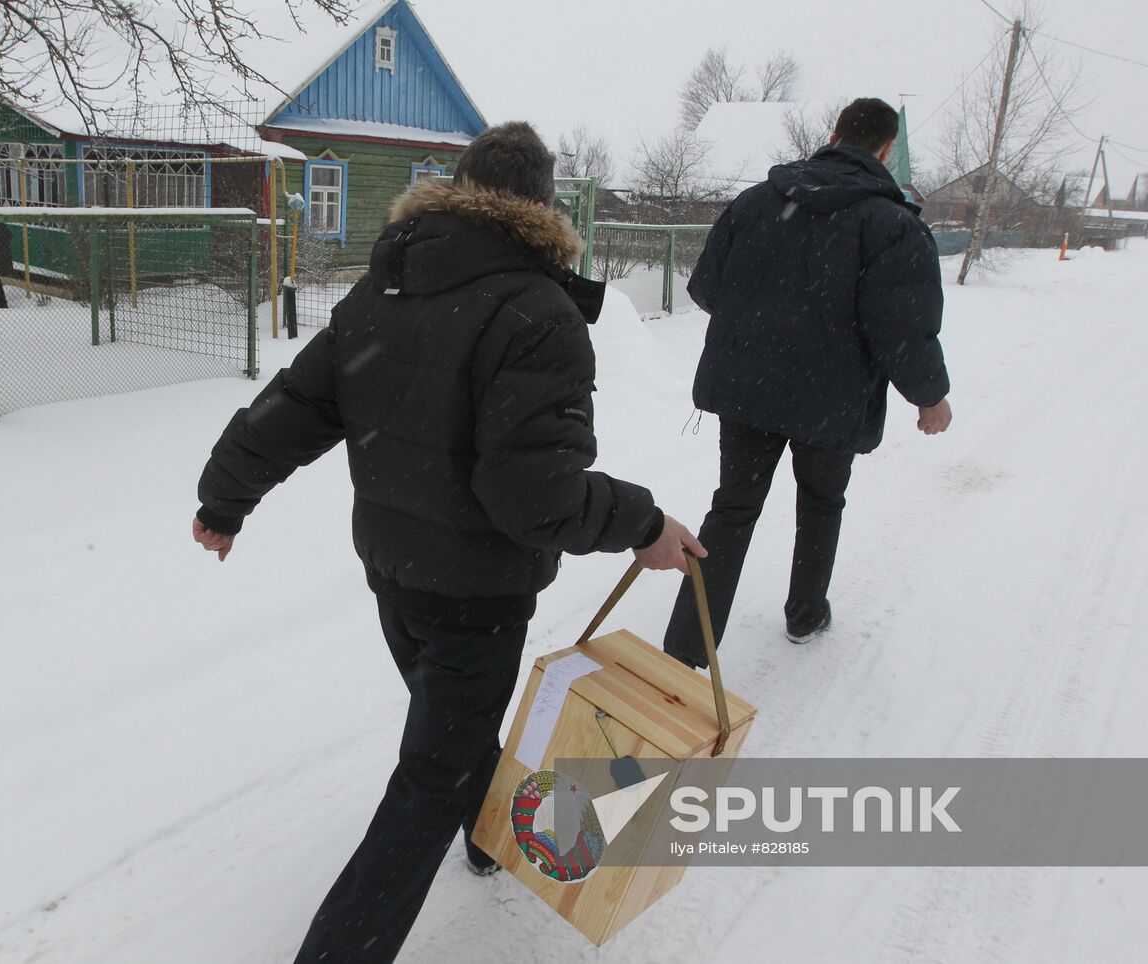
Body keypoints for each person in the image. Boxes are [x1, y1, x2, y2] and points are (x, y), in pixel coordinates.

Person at [190, 121, 704, 964]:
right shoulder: (537, 314)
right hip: (476, 597)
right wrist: (643, 525)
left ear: (460, 188)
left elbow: (296, 406)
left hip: (396, 572)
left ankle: (487, 832)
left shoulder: (387, 289)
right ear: (543, 206)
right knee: (428, 780)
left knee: (452, 736)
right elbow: (535, 497)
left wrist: (225, 498)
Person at [663, 97, 952, 668]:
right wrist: (929, 396)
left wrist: (765, 317)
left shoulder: (755, 203)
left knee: (733, 509)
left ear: (833, 132)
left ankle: (688, 644)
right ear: (886, 150)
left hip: (749, 390)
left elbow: (705, 289)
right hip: (832, 400)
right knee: (821, 504)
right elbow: (902, 327)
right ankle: (804, 613)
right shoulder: (891, 225)